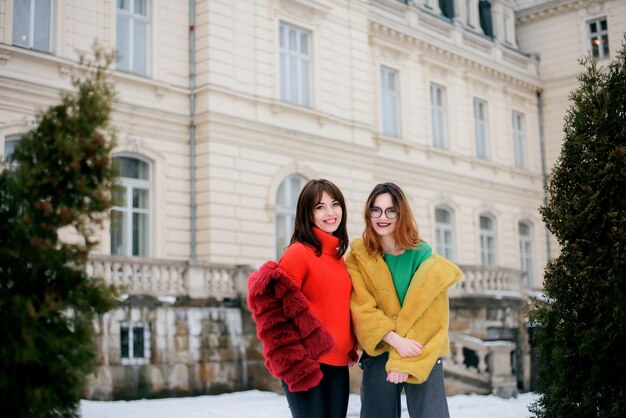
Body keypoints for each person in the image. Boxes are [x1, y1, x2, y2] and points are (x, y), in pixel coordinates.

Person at [346, 182, 462, 418]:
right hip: (381, 345)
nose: (382, 217)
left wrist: (404, 361)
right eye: (375, 210)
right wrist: (395, 342)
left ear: (401, 214)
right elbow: (362, 309)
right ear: (368, 213)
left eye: (391, 211)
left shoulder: (422, 254)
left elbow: (432, 315)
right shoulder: (358, 257)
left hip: (420, 347)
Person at [247, 179, 357, 418]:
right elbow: (273, 314)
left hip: (338, 367)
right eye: (320, 207)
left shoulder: (338, 258)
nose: (330, 212)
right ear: (307, 213)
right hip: (308, 367)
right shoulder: (298, 253)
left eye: (334, 204)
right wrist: (294, 365)